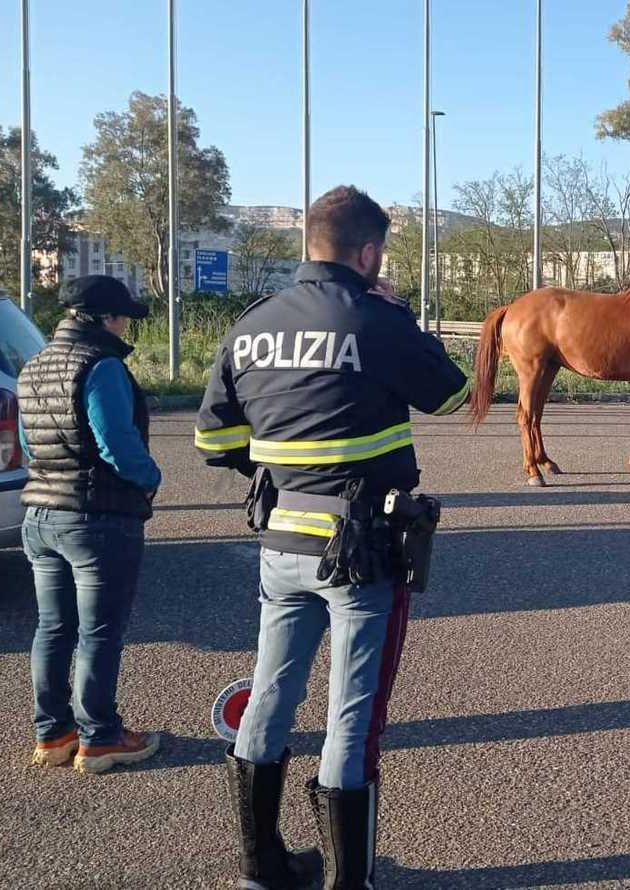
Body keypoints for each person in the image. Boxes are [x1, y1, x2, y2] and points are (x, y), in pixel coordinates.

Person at [196, 185, 470, 890]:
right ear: (370, 252)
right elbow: (448, 392)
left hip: (280, 540)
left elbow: (214, 438)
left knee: (269, 698)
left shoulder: (251, 324)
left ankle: (263, 868)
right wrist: (403, 316)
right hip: (360, 548)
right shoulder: (375, 319)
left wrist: (282, 467)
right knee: (348, 719)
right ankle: (350, 882)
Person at [18, 275, 163, 774]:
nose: (126, 325)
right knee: (99, 632)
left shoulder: (33, 367)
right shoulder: (100, 366)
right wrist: (149, 479)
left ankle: (53, 733)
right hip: (97, 517)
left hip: (39, 512)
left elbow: (30, 444)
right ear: (102, 319)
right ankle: (100, 737)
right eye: (122, 316)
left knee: (53, 628)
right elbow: (116, 444)